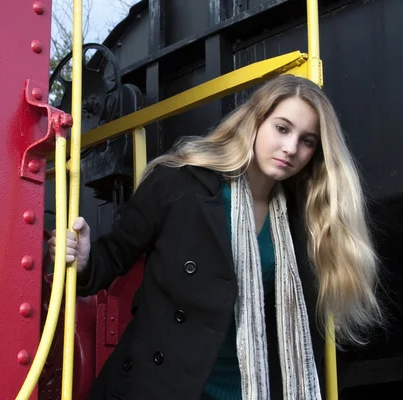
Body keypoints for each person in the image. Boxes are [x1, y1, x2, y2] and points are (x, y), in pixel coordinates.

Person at [48, 75, 384, 400]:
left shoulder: (303, 220)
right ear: (255, 122)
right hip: (158, 387)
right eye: (281, 129)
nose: (290, 148)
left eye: (307, 140)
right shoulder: (179, 184)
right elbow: (113, 257)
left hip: (248, 391)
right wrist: (84, 259)